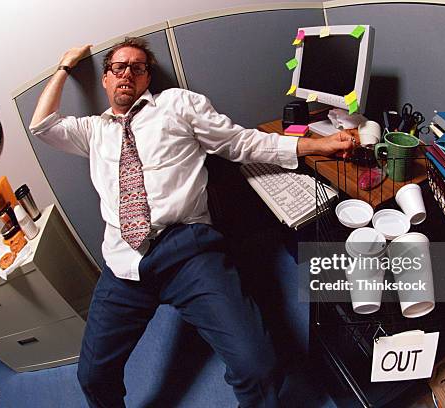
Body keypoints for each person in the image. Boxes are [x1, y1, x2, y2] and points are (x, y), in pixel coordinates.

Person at [29, 37, 355, 408]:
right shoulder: (92, 131)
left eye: (138, 67)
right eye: (118, 67)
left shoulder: (177, 105)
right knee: (91, 377)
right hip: (123, 262)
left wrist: (312, 146)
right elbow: (41, 125)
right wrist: (65, 67)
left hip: (188, 250)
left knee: (257, 367)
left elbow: (241, 143)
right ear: (105, 79)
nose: (127, 73)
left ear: (148, 77)